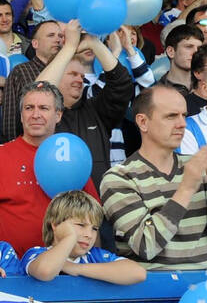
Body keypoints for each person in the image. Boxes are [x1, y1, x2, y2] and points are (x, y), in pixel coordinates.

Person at [102, 86, 207, 270]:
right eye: (171, 116)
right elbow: (146, 246)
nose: (182, 123)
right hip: (149, 291)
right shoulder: (119, 177)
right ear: (143, 122)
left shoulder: (198, 167)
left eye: (184, 115)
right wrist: (186, 188)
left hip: (204, 287)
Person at [0, 80, 99, 254]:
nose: (35, 115)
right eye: (29, 108)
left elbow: (93, 218)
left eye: (44, 108)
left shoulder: (71, 156)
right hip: (9, 271)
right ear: (21, 116)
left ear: (58, 115)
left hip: (63, 271)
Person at [36, 19, 134, 188]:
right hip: (52, 204)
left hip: (94, 204)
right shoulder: (39, 113)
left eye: (82, 76)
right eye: (73, 74)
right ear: (57, 75)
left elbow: (122, 84)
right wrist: (69, 48)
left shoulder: (96, 110)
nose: (79, 80)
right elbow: (38, 93)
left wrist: (94, 43)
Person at [21, 190, 146, 285]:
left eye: (94, 229)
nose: (89, 234)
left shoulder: (95, 256)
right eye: (81, 225)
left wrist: (75, 268)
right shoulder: (37, 253)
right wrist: (70, 237)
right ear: (55, 224)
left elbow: (138, 273)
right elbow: (45, 271)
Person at [0, 20, 65, 143]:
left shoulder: (68, 72)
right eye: (51, 35)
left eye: (60, 36)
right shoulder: (20, 72)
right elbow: (10, 120)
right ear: (35, 43)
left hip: (62, 147)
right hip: (28, 150)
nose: (58, 40)